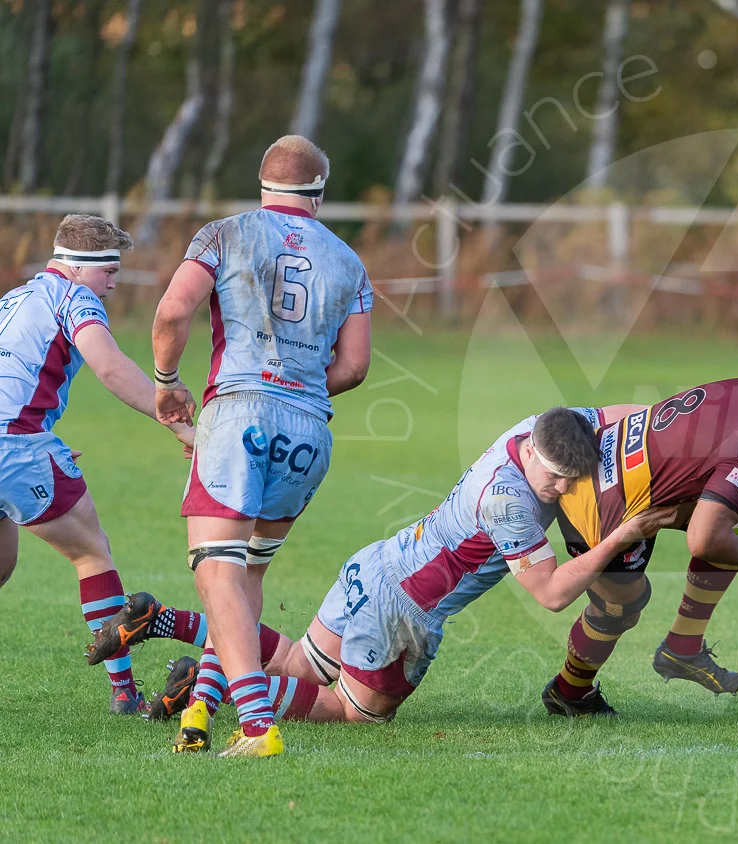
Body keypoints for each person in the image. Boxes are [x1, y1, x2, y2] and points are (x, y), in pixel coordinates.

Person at [104, 408, 678, 727]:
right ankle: (220, 684)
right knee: (349, 714)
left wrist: (669, 422)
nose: (561, 489)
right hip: (405, 611)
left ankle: (164, 620)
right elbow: (551, 594)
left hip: (378, 562)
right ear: (530, 452)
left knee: (300, 663)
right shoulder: (508, 503)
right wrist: (625, 533)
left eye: (569, 481)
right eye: (553, 477)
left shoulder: (545, 426)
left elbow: (617, 415)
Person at [151, 135, 372, 757]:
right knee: (247, 572)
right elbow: (355, 366)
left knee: (216, 571)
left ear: (262, 183)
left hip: (239, 412)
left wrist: (167, 382)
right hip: (309, 430)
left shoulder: (225, 233)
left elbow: (171, 313)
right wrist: (301, 387)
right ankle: (199, 711)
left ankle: (255, 724)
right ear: (318, 194)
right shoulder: (349, 262)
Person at [543, 360, 738, 717]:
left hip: (616, 468)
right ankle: (569, 692)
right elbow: (703, 541)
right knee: (620, 608)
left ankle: (683, 646)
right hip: (597, 507)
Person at [0, 214, 192, 713]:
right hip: (15, 446)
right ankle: (124, 693)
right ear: (78, 266)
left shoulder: (15, 298)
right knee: (92, 555)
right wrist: (174, 420)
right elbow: (111, 367)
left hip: (18, 443)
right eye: (108, 270)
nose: (112, 282)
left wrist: (40, 445)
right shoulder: (75, 298)